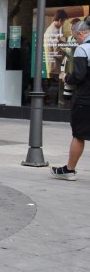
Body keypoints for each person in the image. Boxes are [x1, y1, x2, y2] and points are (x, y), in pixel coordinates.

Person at [50, 17, 90, 181]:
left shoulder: (84, 49)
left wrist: (67, 78)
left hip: (85, 100)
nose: (76, 41)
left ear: (82, 33)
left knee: (79, 135)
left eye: (76, 37)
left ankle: (69, 170)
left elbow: (79, 75)